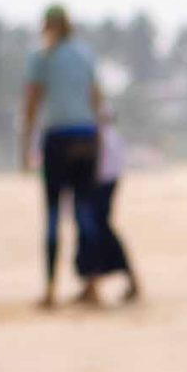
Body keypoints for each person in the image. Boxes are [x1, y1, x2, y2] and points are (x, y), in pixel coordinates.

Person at [19, 5, 107, 309]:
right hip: (86, 136)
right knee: (85, 214)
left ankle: (50, 289)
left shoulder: (41, 57)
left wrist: (25, 145)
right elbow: (96, 99)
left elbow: (32, 101)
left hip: (58, 137)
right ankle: (92, 285)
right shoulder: (84, 55)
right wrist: (100, 138)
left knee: (54, 215)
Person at [79, 116, 140, 305]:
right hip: (102, 173)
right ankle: (92, 284)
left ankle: (97, 285)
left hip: (100, 176)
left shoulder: (88, 110)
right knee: (95, 228)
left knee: (96, 229)